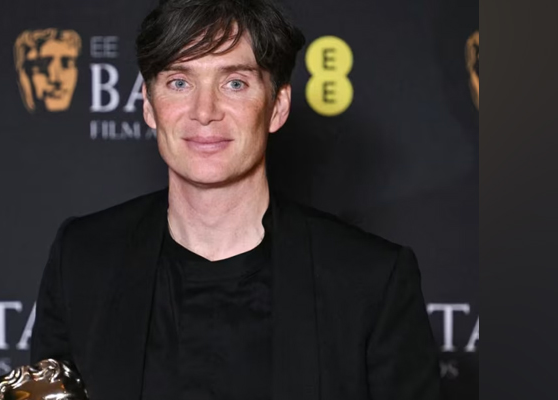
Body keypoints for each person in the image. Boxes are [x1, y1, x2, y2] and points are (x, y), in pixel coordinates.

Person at [30, 0, 441, 399]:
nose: (204, 111)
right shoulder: (82, 258)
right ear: (149, 106)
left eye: (234, 83)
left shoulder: (369, 279)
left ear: (277, 106)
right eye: (179, 82)